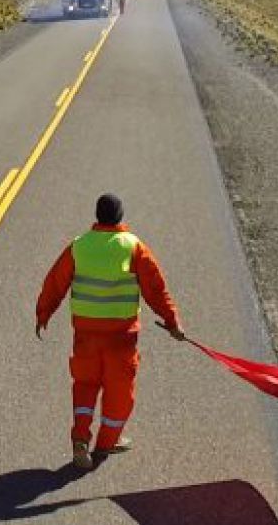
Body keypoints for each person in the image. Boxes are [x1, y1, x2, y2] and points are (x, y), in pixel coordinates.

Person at [36, 194, 184, 470]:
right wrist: (172, 322)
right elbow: (156, 289)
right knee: (119, 392)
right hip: (121, 338)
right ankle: (106, 443)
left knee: (85, 385)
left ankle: (80, 436)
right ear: (120, 218)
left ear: (97, 216)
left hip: (85, 336)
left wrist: (43, 313)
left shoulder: (79, 246)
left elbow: (55, 282)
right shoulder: (133, 246)